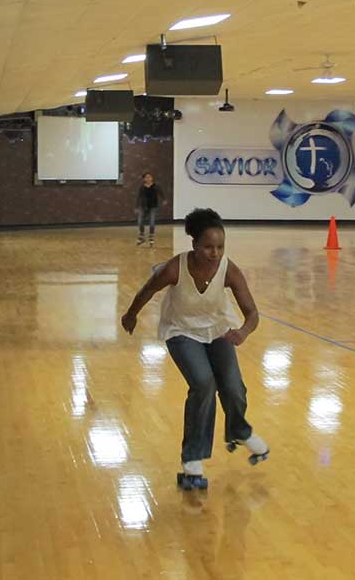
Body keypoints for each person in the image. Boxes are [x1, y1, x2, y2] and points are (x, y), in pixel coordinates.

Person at [122, 208, 268, 490]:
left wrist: (243, 332)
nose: (215, 253)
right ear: (194, 245)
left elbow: (252, 313)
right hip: (181, 331)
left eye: (220, 247)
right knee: (203, 384)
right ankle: (192, 460)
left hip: (218, 330)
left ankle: (238, 430)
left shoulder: (229, 269)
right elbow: (147, 290)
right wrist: (131, 314)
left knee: (234, 388)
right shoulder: (175, 268)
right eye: (208, 247)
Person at [135, 172, 164, 247]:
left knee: (152, 223)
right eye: (146, 177)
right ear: (144, 179)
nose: (148, 179)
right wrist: (136, 206)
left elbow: (161, 193)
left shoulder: (156, 186)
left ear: (152, 178)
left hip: (153, 207)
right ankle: (141, 237)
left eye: (149, 177)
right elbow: (139, 197)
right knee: (140, 222)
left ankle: (151, 237)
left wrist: (164, 199)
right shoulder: (142, 187)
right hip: (143, 206)